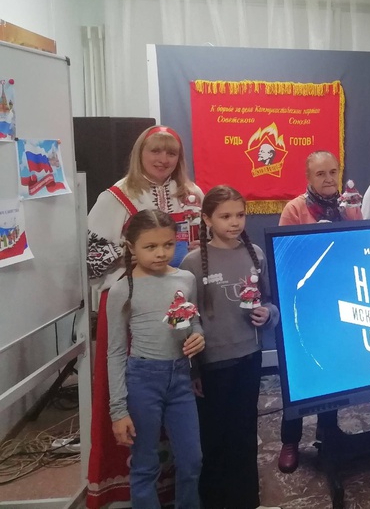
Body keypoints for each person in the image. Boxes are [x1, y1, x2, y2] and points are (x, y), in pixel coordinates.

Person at [86, 125, 203, 509]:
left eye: (171, 153)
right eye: (156, 150)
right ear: (140, 152)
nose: (163, 159)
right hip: (132, 307)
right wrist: (141, 270)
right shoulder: (115, 197)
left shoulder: (193, 194)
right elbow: (94, 262)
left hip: (180, 301)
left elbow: (200, 250)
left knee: (188, 434)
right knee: (141, 428)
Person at [180, 186, 281, 509]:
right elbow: (188, 319)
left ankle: (246, 500)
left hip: (249, 359)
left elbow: (270, 301)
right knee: (213, 438)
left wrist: (268, 314)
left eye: (240, 215)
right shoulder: (193, 263)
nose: (234, 222)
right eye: (225, 216)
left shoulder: (255, 254)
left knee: (244, 432)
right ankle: (213, 501)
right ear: (207, 219)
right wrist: (193, 369)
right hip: (212, 365)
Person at [106, 210, 205, 509]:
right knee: (145, 463)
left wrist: (198, 336)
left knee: (192, 460)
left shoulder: (185, 279)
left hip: (180, 378)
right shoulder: (121, 290)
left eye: (168, 244)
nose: (161, 253)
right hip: (143, 380)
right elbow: (115, 351)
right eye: (150, 247)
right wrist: (118, 410)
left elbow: (192, 321)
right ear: (131, 246)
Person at [277, 151, 362, 473]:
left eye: (333, 172)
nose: (328, 179)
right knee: (300, 372)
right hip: (305, 300)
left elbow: (360, 244)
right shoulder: (295, 209)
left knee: (330, 365)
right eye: (320, 174)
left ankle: (328, 429)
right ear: (308, 178)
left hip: (338, 295)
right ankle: (290, 440)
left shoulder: (349, 205)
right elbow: (285, 256)